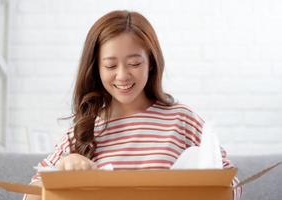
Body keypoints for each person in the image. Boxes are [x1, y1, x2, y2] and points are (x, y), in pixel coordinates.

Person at [25, 10, 241, 200]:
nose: (122, 76)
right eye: (110, 65)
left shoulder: (181, 119)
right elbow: (31, 195)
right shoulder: (83, 131)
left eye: (134, 64)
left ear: (152, 64)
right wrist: (64, 169)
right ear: (96, 69)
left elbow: (231, 183)